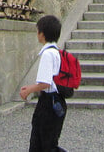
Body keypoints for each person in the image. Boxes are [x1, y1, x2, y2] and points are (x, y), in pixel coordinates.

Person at [20, 14, 67, 151]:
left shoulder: (47, 54)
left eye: (38, 31)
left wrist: (28, 90)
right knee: (48, 143)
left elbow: (45, 83)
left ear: (42, 34)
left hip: (48, 103)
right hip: (57, 101)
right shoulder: (57, 52)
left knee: (39, 143)